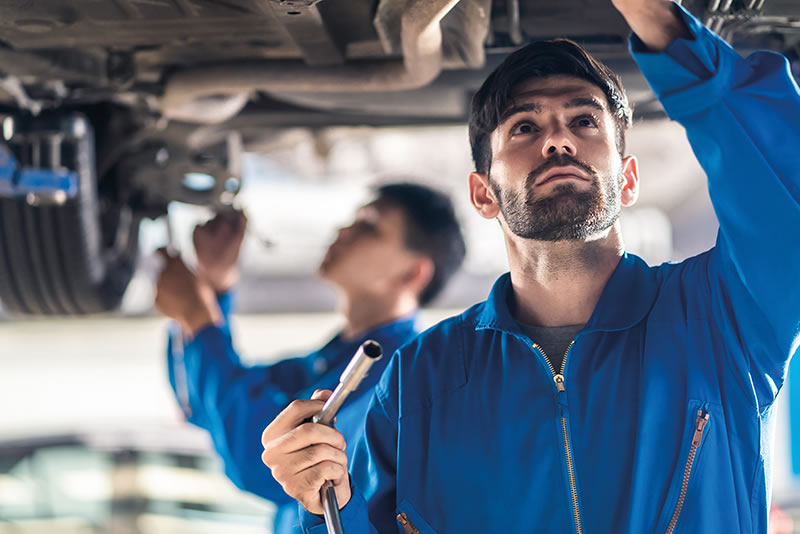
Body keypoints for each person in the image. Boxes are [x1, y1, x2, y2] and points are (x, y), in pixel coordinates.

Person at [260, 0, 800, 532]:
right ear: (483, 194)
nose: (558, 139)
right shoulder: (419, 379)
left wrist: (660, 20)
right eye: (523, 127)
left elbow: (784, 192)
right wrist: (319, 497)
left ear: (629, 179)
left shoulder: (725, 317)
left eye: (585, 120)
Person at [154, 182, 466, 533]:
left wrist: (200, 320)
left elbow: (265, 462)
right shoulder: (334, 358)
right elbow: (204, 406)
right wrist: (214, 288)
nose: (343, 230)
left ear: (413, 273)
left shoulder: (398, 377)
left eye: (368, 226)